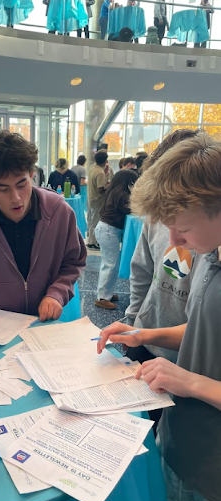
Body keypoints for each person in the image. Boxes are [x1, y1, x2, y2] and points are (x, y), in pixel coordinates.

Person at [97, 132, 221, 501]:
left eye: (181, 227)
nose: (174, 239)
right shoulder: (211, 254)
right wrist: (144, 334)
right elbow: (204, 332)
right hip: (183, 445)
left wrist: (191, 381)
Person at [0, 130, 86, 321]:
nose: (16, 198)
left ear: (32, 175)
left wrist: (57, 292)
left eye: (21, 184)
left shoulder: (59, 212)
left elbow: (73, 261)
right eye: (3, 189)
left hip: (41, 325)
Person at [125, 129, 199, 434]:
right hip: (146, 337)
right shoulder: (155, 217)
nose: (174, 237)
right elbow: (142, 272)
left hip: (188, 358)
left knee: (175, 437)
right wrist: (134, 326)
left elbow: (206, 327)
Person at [94, 170, 138, 309]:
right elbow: (133, 209)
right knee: (111, 264)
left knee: (110, 263)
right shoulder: (122, 195)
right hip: (108, 231)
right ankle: (102, 297)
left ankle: (106, 292)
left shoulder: (113, 192)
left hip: (106, 230)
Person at [86, 149, 114, 249]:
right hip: (98, 200)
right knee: (95, 221)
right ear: (105, 160)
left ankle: (91, 239)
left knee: (91, 220)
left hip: (91, 198)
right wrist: (110, 185)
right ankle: (92, 242)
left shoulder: (92, 168)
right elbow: (100, 189)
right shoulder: (100, 173)